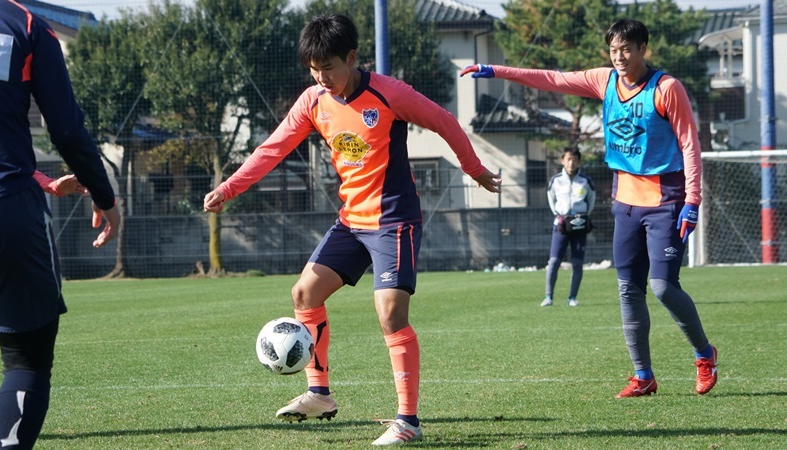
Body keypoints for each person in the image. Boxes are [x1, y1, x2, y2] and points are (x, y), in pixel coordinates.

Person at [204, 13, 500, 445]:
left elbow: (445, 121)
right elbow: (272, 149)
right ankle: (319, 394)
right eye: (313, 69)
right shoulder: (313, 101)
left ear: (351, 58)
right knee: (304, 293)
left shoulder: (389, 93)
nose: (321, 77)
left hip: (394, 220)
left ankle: (408, 422)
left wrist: (473, 168)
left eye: (328, 67)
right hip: (351, 221)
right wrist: (229, 188)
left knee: (390, 314)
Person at [461, 18, 717, 398]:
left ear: (643, 48)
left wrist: (692, 200)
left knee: (663, 288)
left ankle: (704, 355)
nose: (619, 57)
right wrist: (497, 70)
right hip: (625, 203)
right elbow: (553, 79)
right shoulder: (604, 80)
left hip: (666, 202)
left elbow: (690, 145)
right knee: (628, 290)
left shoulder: (667, 88)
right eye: (613, 50)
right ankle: (643, 376)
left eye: (626, 49)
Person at [0, 1, 120, 448]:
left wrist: (42, 180)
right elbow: (65, 130)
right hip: (5, 211)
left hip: (9, 196)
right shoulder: (24, 25)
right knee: (25, 362)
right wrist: (104, 196)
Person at [541, 148, 595, 307]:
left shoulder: (586, 180)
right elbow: (551, 199)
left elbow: (591, 199)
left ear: (579, 161)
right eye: (569, 159)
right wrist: (558, 216)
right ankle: (548, 297)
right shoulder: (556, 180)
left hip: (579, 225)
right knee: (554, 261)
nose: (571, 162)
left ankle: (572, 298)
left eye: (575, 159)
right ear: (562, 161)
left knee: (577, 263)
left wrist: (583, 217)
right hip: (561, 225)